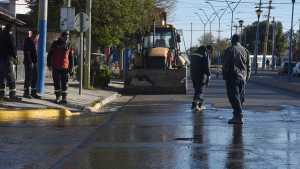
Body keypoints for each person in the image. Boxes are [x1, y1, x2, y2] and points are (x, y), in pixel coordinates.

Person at [223, 34, 251, 124]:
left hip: (233, 76)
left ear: (232, 40)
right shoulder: (245, 50)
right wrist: (247, 77)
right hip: (243, 77)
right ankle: (236, 116)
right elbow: (248, 66)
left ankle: (239, 116)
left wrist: (225, 76)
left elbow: (226, 64)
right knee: (240, 97)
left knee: (233, 97)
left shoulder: (230, 50)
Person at [47, 32, 73, 104]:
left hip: (65, 67)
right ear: (61, 37)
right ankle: (57, 97)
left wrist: (71, 68)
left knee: (65, 83)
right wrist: (49, 64)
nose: (66, 39)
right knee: (57, 83)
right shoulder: (55, 43)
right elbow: (50, 54)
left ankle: (64, 98)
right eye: (65, 37)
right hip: (56, 66)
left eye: (68, 38)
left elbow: (71, 57)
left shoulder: (69, 45)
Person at [0, 24, 21, 101]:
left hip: (1, 58)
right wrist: (15, 56)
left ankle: (1, 95)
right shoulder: (9, 36)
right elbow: (13, 47)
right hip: (8, 58)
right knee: (11, 76)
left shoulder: (1, 35)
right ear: (11, 30)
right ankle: (12, 95)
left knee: (1, 77)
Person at [190, 46, 210, 111]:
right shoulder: (204, 54)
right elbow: (206, 66)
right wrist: (208, 75)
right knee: (200, 91)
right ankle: (196, 106)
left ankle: (195, 105)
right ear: (204, 50)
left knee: (197, 90)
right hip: (200, 75)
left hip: (193, 75)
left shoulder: (193, 54)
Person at [23, 30, 40, 99]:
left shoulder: (33, 42)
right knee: (28, 78)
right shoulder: (29, 41)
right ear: (34, 35)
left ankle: (33, 92)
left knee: (34, 78)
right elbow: (27, 53)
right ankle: (26, 93)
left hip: (33, 62)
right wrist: (31, 62)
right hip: (29, 63)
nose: (37, 38)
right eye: (37, 36)